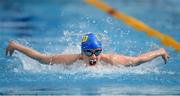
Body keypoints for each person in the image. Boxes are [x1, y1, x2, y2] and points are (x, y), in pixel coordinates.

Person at [6, 33, 169, 66]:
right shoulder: (71, 59)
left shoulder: (111, 61)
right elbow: (41, 58)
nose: (94, 56)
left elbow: (138, 59)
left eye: (97, 52)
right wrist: (16, 46)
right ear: (82, 52)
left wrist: (160, 51)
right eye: (89, 52)